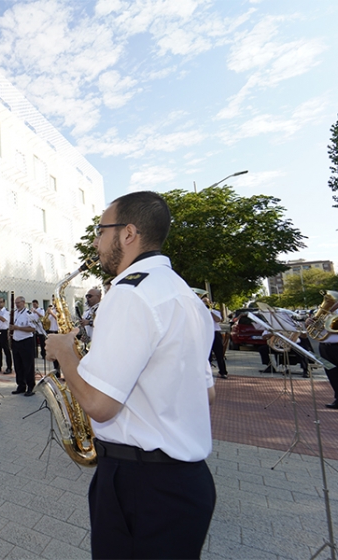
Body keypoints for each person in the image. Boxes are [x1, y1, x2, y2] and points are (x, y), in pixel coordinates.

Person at [46, 191, 216, 559]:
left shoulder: (128, 294)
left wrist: (64, 354)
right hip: (186, 484)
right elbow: (207, 394)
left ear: (128, 234)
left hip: (141, 486)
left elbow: (100, 405)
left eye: (100, 230)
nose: (96, 241)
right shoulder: (186, 296)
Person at [10, 296, 38, 396]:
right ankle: (21, 385)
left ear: (23, 302)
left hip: (26, 341)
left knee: (28, 365)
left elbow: (33, 329)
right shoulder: (15, 313)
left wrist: (18, 328)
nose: (17, 305)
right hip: (16, 341)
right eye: (16, 303)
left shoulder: (29, 314)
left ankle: (31, 386)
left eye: (18, 303)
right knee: (18, 365)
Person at [202, 296, 228, 379]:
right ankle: (207, 372)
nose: (205, 304)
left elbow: (217, 320)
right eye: (203, 302)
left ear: (210, 303)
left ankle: (223, 372)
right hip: (205, 334)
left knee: (219, 354)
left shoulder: (215, 312)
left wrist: (209, 311)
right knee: (207, 355)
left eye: (207, 302)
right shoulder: (200, 312)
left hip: (215, 333)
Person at [0, 297, 13, 374]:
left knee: (6, 350)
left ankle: (9, 367)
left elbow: (3, 319)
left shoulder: (6, 311)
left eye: (1, 302)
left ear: (4, 303)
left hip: (3, 331)